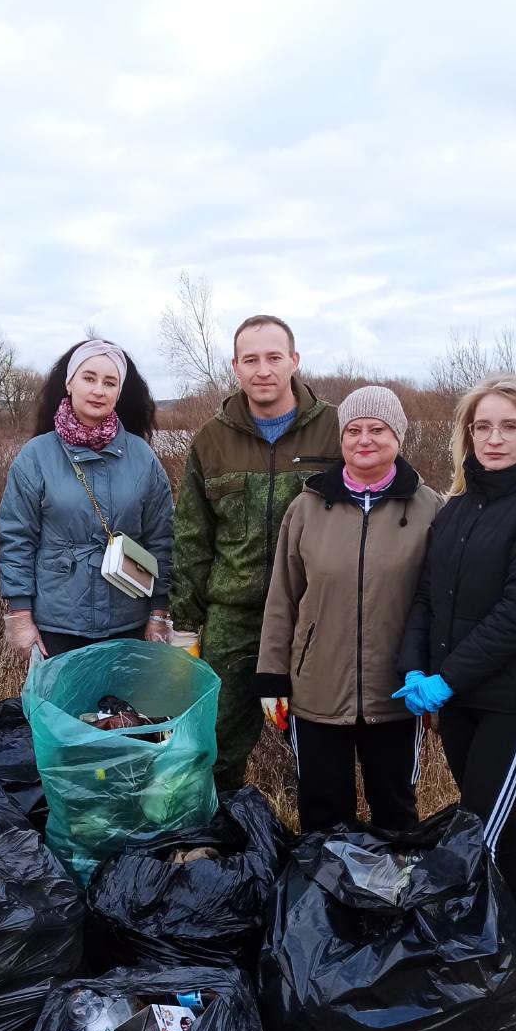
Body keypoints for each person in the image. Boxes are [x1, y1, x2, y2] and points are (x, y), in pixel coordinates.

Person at [396, 375, 516, 914]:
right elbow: (426, 597)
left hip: (507, 702)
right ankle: (509, 939)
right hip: (454, 702)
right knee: (493, 824)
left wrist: (449, 677)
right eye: (482, 427)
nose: (494, 439)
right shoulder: (455, 509)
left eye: (509, 426)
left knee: (478, 833)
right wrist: (415, 671)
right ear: (468, 438)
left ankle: (487, 953)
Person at [256, 386, 441, 832]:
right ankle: (324, 898)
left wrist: (440, 674)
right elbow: (283, 595)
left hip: (397, 694)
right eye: (353, 430)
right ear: (341, 439)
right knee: (322, 812)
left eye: (377, 429)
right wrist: (272, 676)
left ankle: (393, 896)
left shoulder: (430, 508)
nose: (364, 439)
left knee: (395, 811)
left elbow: (440, 602)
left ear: (398, 435)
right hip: (317, 691)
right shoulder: (306, 508)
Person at [171, 315, 340, 790]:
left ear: (294, 360)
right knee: (214, 742)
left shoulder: (336, 429)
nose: (262, 369)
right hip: (234, 617)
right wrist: (185, 627)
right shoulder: (211, 439)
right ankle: (212, 846)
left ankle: (321, 843)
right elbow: (190, 536)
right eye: (251, 359)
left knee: (319, 742)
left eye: (273, 357)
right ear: (236, 367)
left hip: (315, 614)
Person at [0, 339, 173, 657]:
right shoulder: (36, 456)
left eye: (110, 382)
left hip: (128, 623)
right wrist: (20, 614)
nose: (98, 390)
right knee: (58, 708)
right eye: (89, 378)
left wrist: (158, 612)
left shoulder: (143, 457)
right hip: (57, 626)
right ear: (69, 383)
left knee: (124, 709)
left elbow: (162, 538)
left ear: (119, 392)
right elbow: (16, 539)